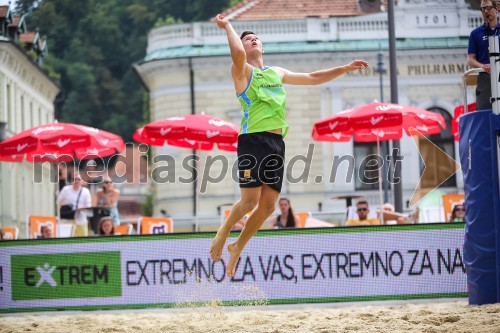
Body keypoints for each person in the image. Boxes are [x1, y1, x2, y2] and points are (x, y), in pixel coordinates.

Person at [209, 14, 368, 277]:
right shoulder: (242, 72)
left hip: (276, 143)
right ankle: (223, 232)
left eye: (255, 38)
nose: (253, 40)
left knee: (269, 206)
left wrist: (344, 68)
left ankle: (237, 246)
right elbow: (236, 53)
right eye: (248, 40)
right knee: (248, 203)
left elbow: (314, 77)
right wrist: (228, 27)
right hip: (252, 140)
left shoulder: (276, 73)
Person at [468, 0, 500, 110]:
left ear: (496, 9)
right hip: (485, 78)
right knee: (484, 113)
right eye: (482, 9)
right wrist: (483, 66)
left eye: (488, 8)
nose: (485, 11)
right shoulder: (475, 33)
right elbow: (470, 60)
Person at [57, 173, 92, 237]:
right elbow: (58, 202)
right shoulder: (65, 189)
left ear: (82, 181)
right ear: (71, 181)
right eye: (74, 179)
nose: (76, 181)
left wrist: (79, 209)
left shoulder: (86, 191)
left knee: (82, 239)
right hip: (67, 219)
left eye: (78, 179)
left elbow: (88, 205)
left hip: (81, 219)